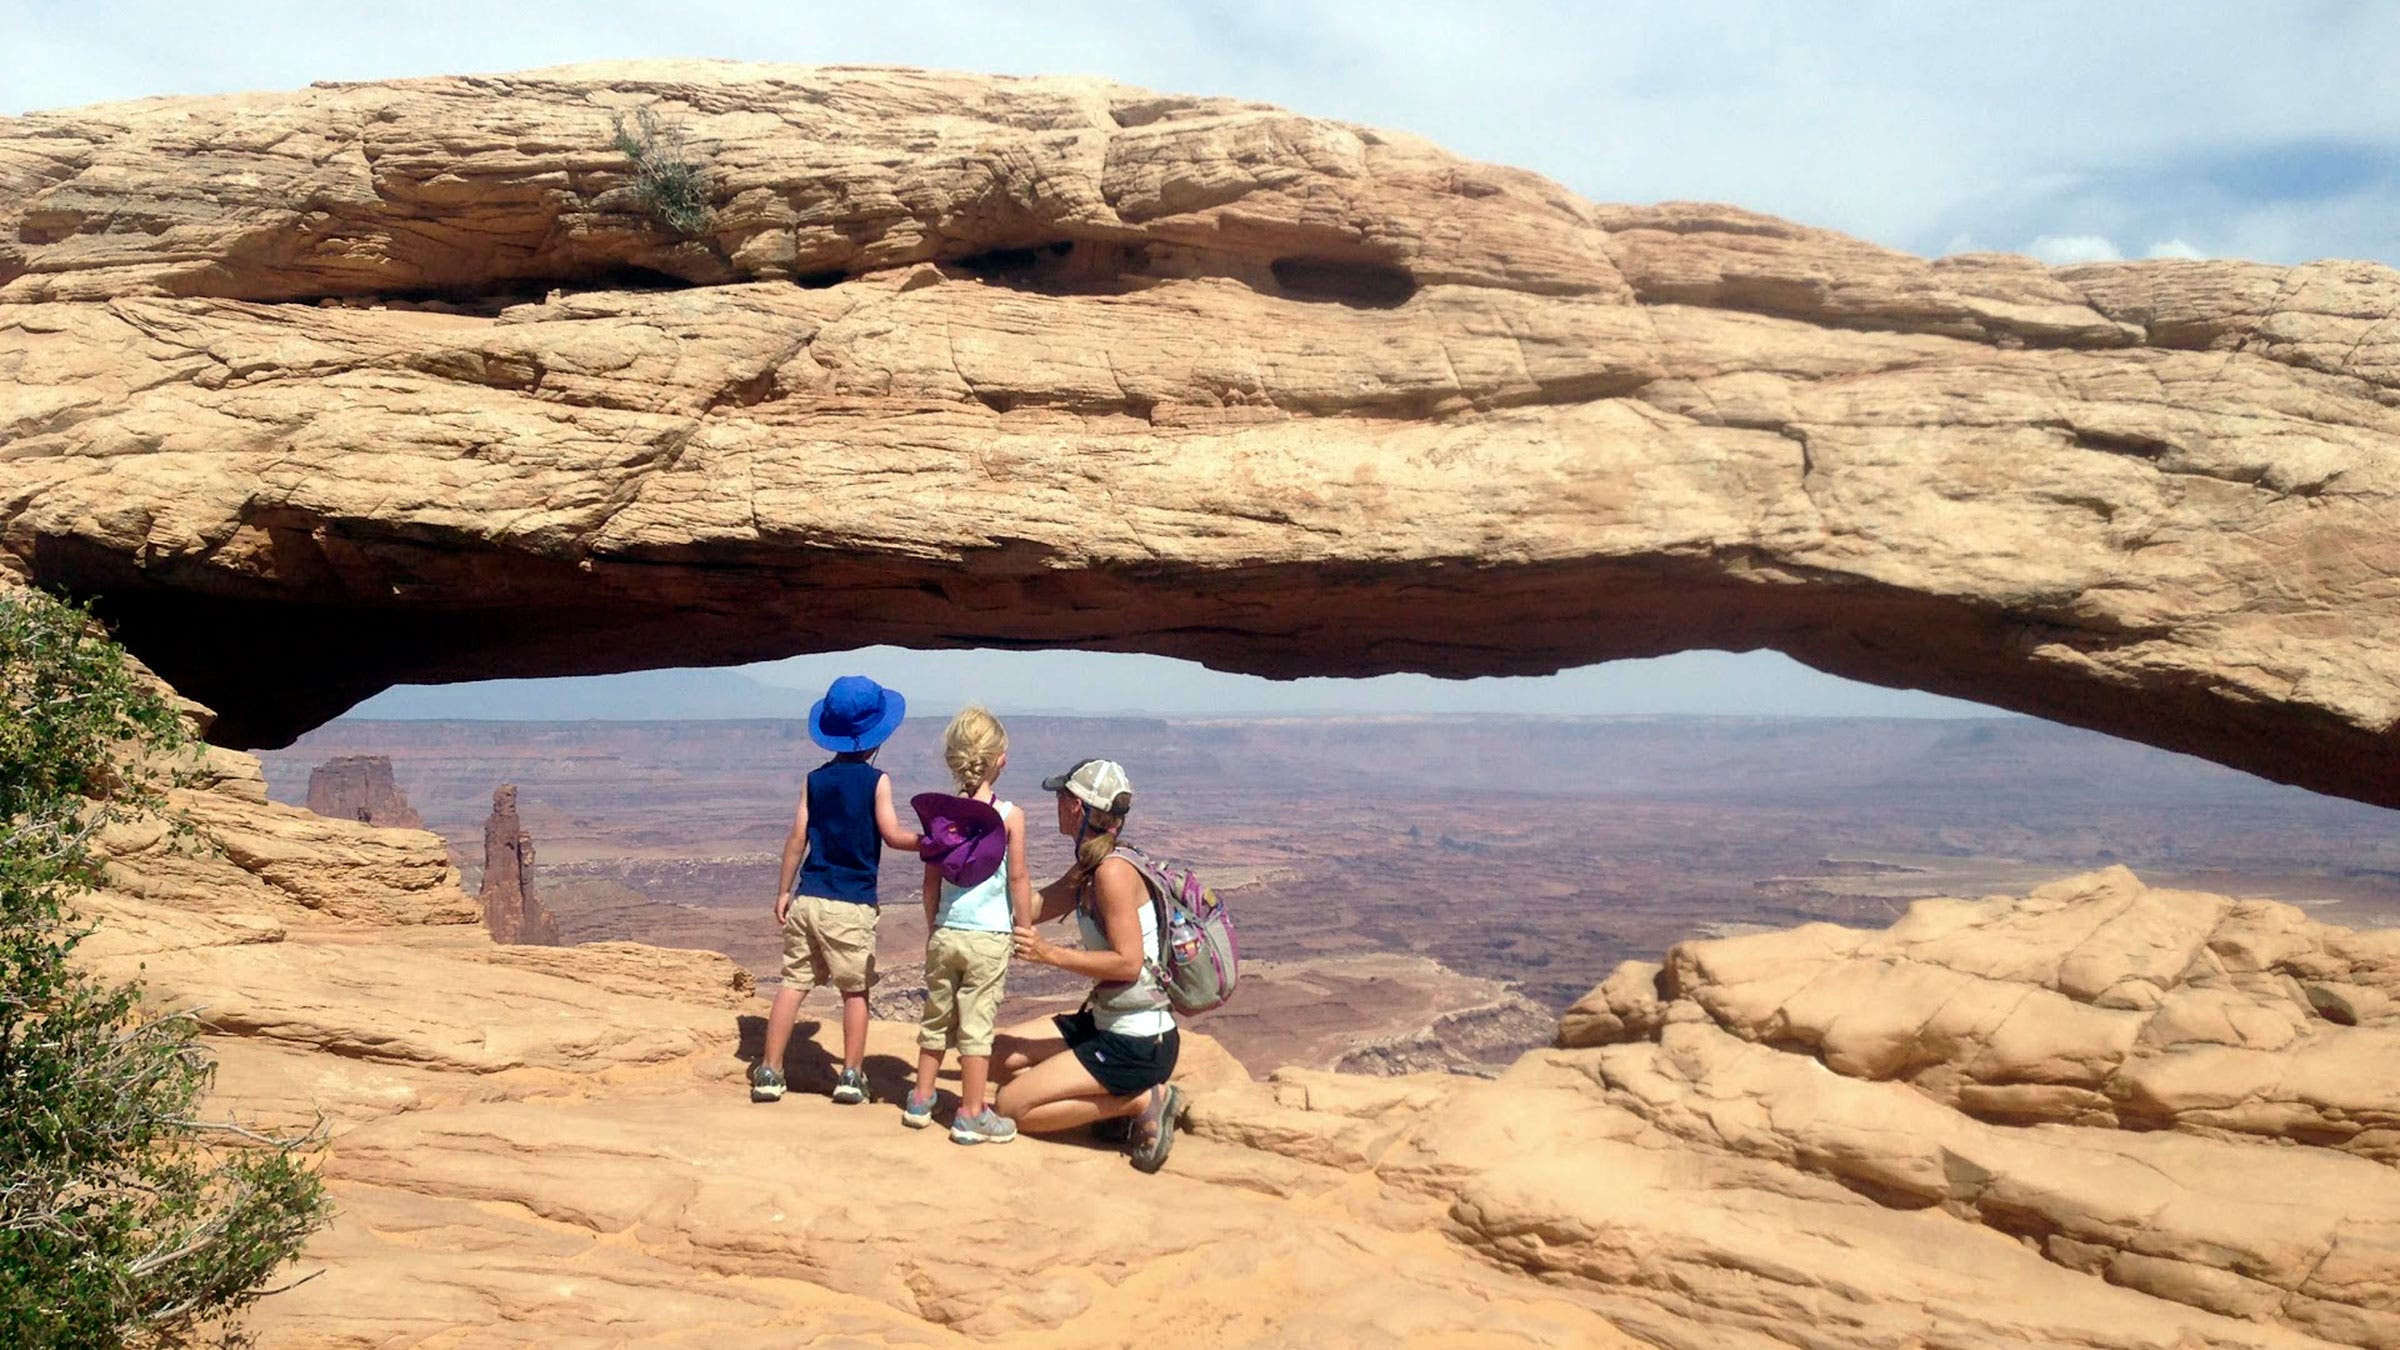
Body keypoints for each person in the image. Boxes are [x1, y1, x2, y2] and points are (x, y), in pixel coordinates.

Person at [993, 759, 1184, 1173]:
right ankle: (1100, 1097)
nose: (1057, 804)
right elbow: (1037, 907)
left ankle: (1142, 1100)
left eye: (1062, 796)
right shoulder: (1090, 865)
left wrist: (1048, 954)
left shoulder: (1112, 872)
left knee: (1011, 1106)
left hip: (1135, 1041)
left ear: (1077, 808)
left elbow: (1128, 963)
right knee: (998, 1057)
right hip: (1104, 1022)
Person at [751, 675, 919, 1106]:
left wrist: (783, 891)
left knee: (793, 982)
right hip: (851, 903)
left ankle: (769, 1070)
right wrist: (932, 841)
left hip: (808, 897)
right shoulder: (877, 781)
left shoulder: (814, 780)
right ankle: (850, 1075)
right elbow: (893, 834)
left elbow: (796, 838)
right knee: (855, 990)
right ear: (876, 735)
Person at [904, 706, 1034, 1144]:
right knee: (977, 1022)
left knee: (937, 1014)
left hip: (946, 932)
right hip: (989, 936)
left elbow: (930, 881)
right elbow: (1018, 877)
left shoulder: (942, 820)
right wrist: (1025, 926)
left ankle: (921, 1099)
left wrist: (933, 926)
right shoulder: (1011, 816)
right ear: (1001, 759)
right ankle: (972, 1112)